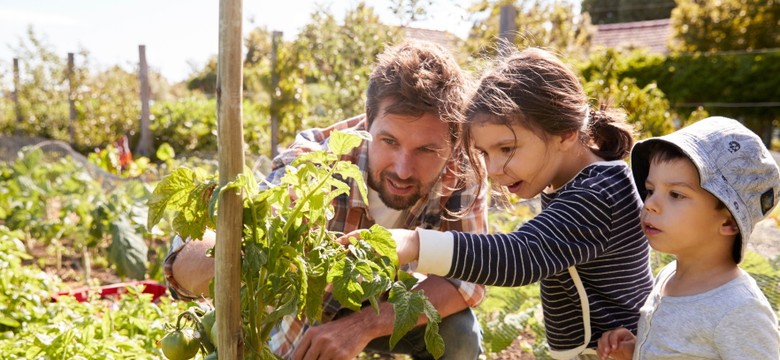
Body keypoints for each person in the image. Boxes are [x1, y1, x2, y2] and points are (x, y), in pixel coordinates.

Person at [164, 40, 488, 360]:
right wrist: (238, 254)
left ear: (453, 140)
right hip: (310, 306)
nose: (403, 169)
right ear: (367, 121)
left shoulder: (463, 172)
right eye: (389, 141)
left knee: (459, 334)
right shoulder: (318, 161)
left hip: (383, 299)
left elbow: (469, 279)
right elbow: (186, 264)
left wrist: (362, 326)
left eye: (426, 150)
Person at [355, 48, 656, 359]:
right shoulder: (576, 183)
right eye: (485, 153)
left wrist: (415, 244)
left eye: (507, 148)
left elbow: (520, 256)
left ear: (565, 134)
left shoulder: (598, 195)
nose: (494, 169)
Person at [596, 116, 780, 360]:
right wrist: (636, 350)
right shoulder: (668, 275)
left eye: (676, 194)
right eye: (651, 191)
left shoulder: (739, 309)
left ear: (728, 221)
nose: (650, 204)